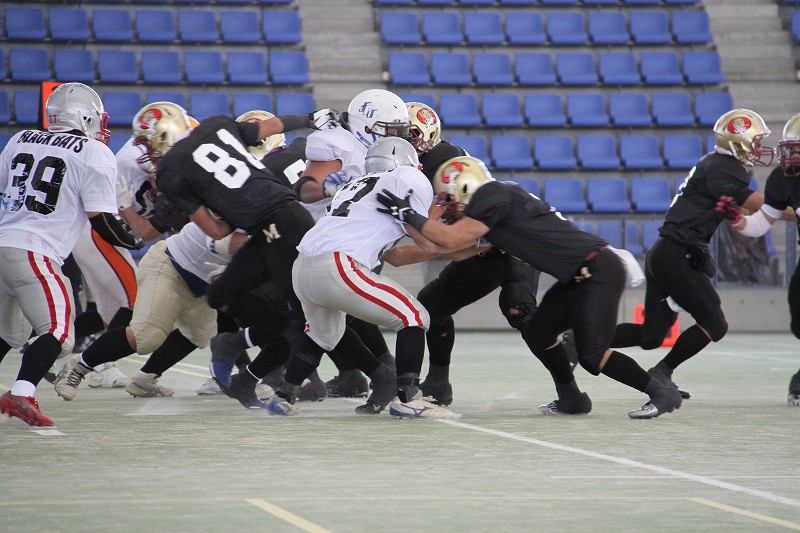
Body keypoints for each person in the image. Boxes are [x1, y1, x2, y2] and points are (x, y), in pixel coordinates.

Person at [377, 156, 682, 419]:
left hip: (597, 270)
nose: (447, 207)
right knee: (538, 333)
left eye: (448, 198)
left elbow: (451, 239)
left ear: (464, 185)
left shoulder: (492, 194)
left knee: (592, 354)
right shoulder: (496, 203)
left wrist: (408, 213)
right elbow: (452, 250)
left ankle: (659, 392)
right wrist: (416, 221)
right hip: (579, 274)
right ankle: (572, 400)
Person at [268, 137, 455, 418]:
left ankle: (283, 396)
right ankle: (408, 398)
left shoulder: (353, 186)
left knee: (322, 334)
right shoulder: (407, 176)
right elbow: (424, 239)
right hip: (338, 265)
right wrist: (453, 231)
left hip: (304, 267)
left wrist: (435, 231)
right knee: (414, 317)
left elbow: (396, 255)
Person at [0, 82, 143, 426]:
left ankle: (21, 391)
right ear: (85, 118)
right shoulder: (93, 152)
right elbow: (102, 221)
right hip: (36, 252)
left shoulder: (20, 139)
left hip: (4, 243)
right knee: (60, 331)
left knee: (7, 333)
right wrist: (132, 239)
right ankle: (22, 393)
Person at [610, 109, 775, 400]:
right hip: (677, 254)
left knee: (651, 335)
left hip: (667, 251)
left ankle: (584, 338)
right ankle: (662, 371)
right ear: (738, 142)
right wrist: (786, 206)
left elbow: (749, 212)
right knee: (715, 323)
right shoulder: (724, 167)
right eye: (755, 140)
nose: (759, 147)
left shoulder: (717, 165)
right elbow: (758, 205)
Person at [402, 102, 542, 406]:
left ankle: (569, 374)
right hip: (477, 245)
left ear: (427, 134)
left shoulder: (442, 161)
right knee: (431, 306)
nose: (402, 139)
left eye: (408, 133)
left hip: (506, 241)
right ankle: (438, 383)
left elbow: (459, 221)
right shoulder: (415, 163)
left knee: (520, 310)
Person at [292, 89, 412, 398]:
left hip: (355, 241)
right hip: (323, 238)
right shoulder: (340, 145)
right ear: (366, 126)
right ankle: (369, 373)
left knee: (336, 314)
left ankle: (366, 375)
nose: (399, 137)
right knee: (329, 314)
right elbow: (304, 189)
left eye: (400, 131)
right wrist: (330, 189)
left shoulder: (382, 153)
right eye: (391, 131)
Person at [728, 112, 800, 405]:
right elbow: (762, 223)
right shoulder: (784, 178)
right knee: (798, 314)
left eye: (797, 149)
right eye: (791, 149)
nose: (792, 156)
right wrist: (738, 222)